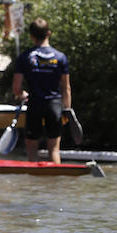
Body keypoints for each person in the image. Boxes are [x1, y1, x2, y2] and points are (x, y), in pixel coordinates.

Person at [11, 18, 72, 163]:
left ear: (32, 36)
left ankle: (34, 184)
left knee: (32, 150)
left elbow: (16, 88)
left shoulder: (24, 57)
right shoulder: (60, 57)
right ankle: (56, 181)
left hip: (35, 104)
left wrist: (22, 94)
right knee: (54, 150)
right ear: (49, 33)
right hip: (55, 105)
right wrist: (67, 109)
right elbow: (66, 88)